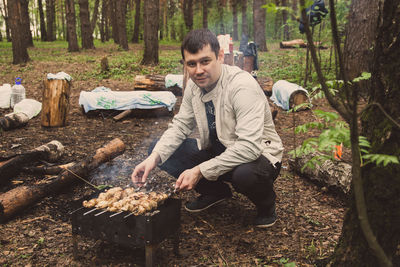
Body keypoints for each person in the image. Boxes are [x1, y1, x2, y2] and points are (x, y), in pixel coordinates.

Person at [131, 29, 283, 228]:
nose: (198, 70)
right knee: (158, 149)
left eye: (205, 61)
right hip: (220, 149)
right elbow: (181, 125)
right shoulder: (194, 86)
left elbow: (249, 148)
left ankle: (266, 205)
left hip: (259, 156)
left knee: (244, 175)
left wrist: (200, 170)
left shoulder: (241, 86)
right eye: (191, 64)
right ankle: (215, 192)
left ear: (220, 56)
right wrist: (154, 158)